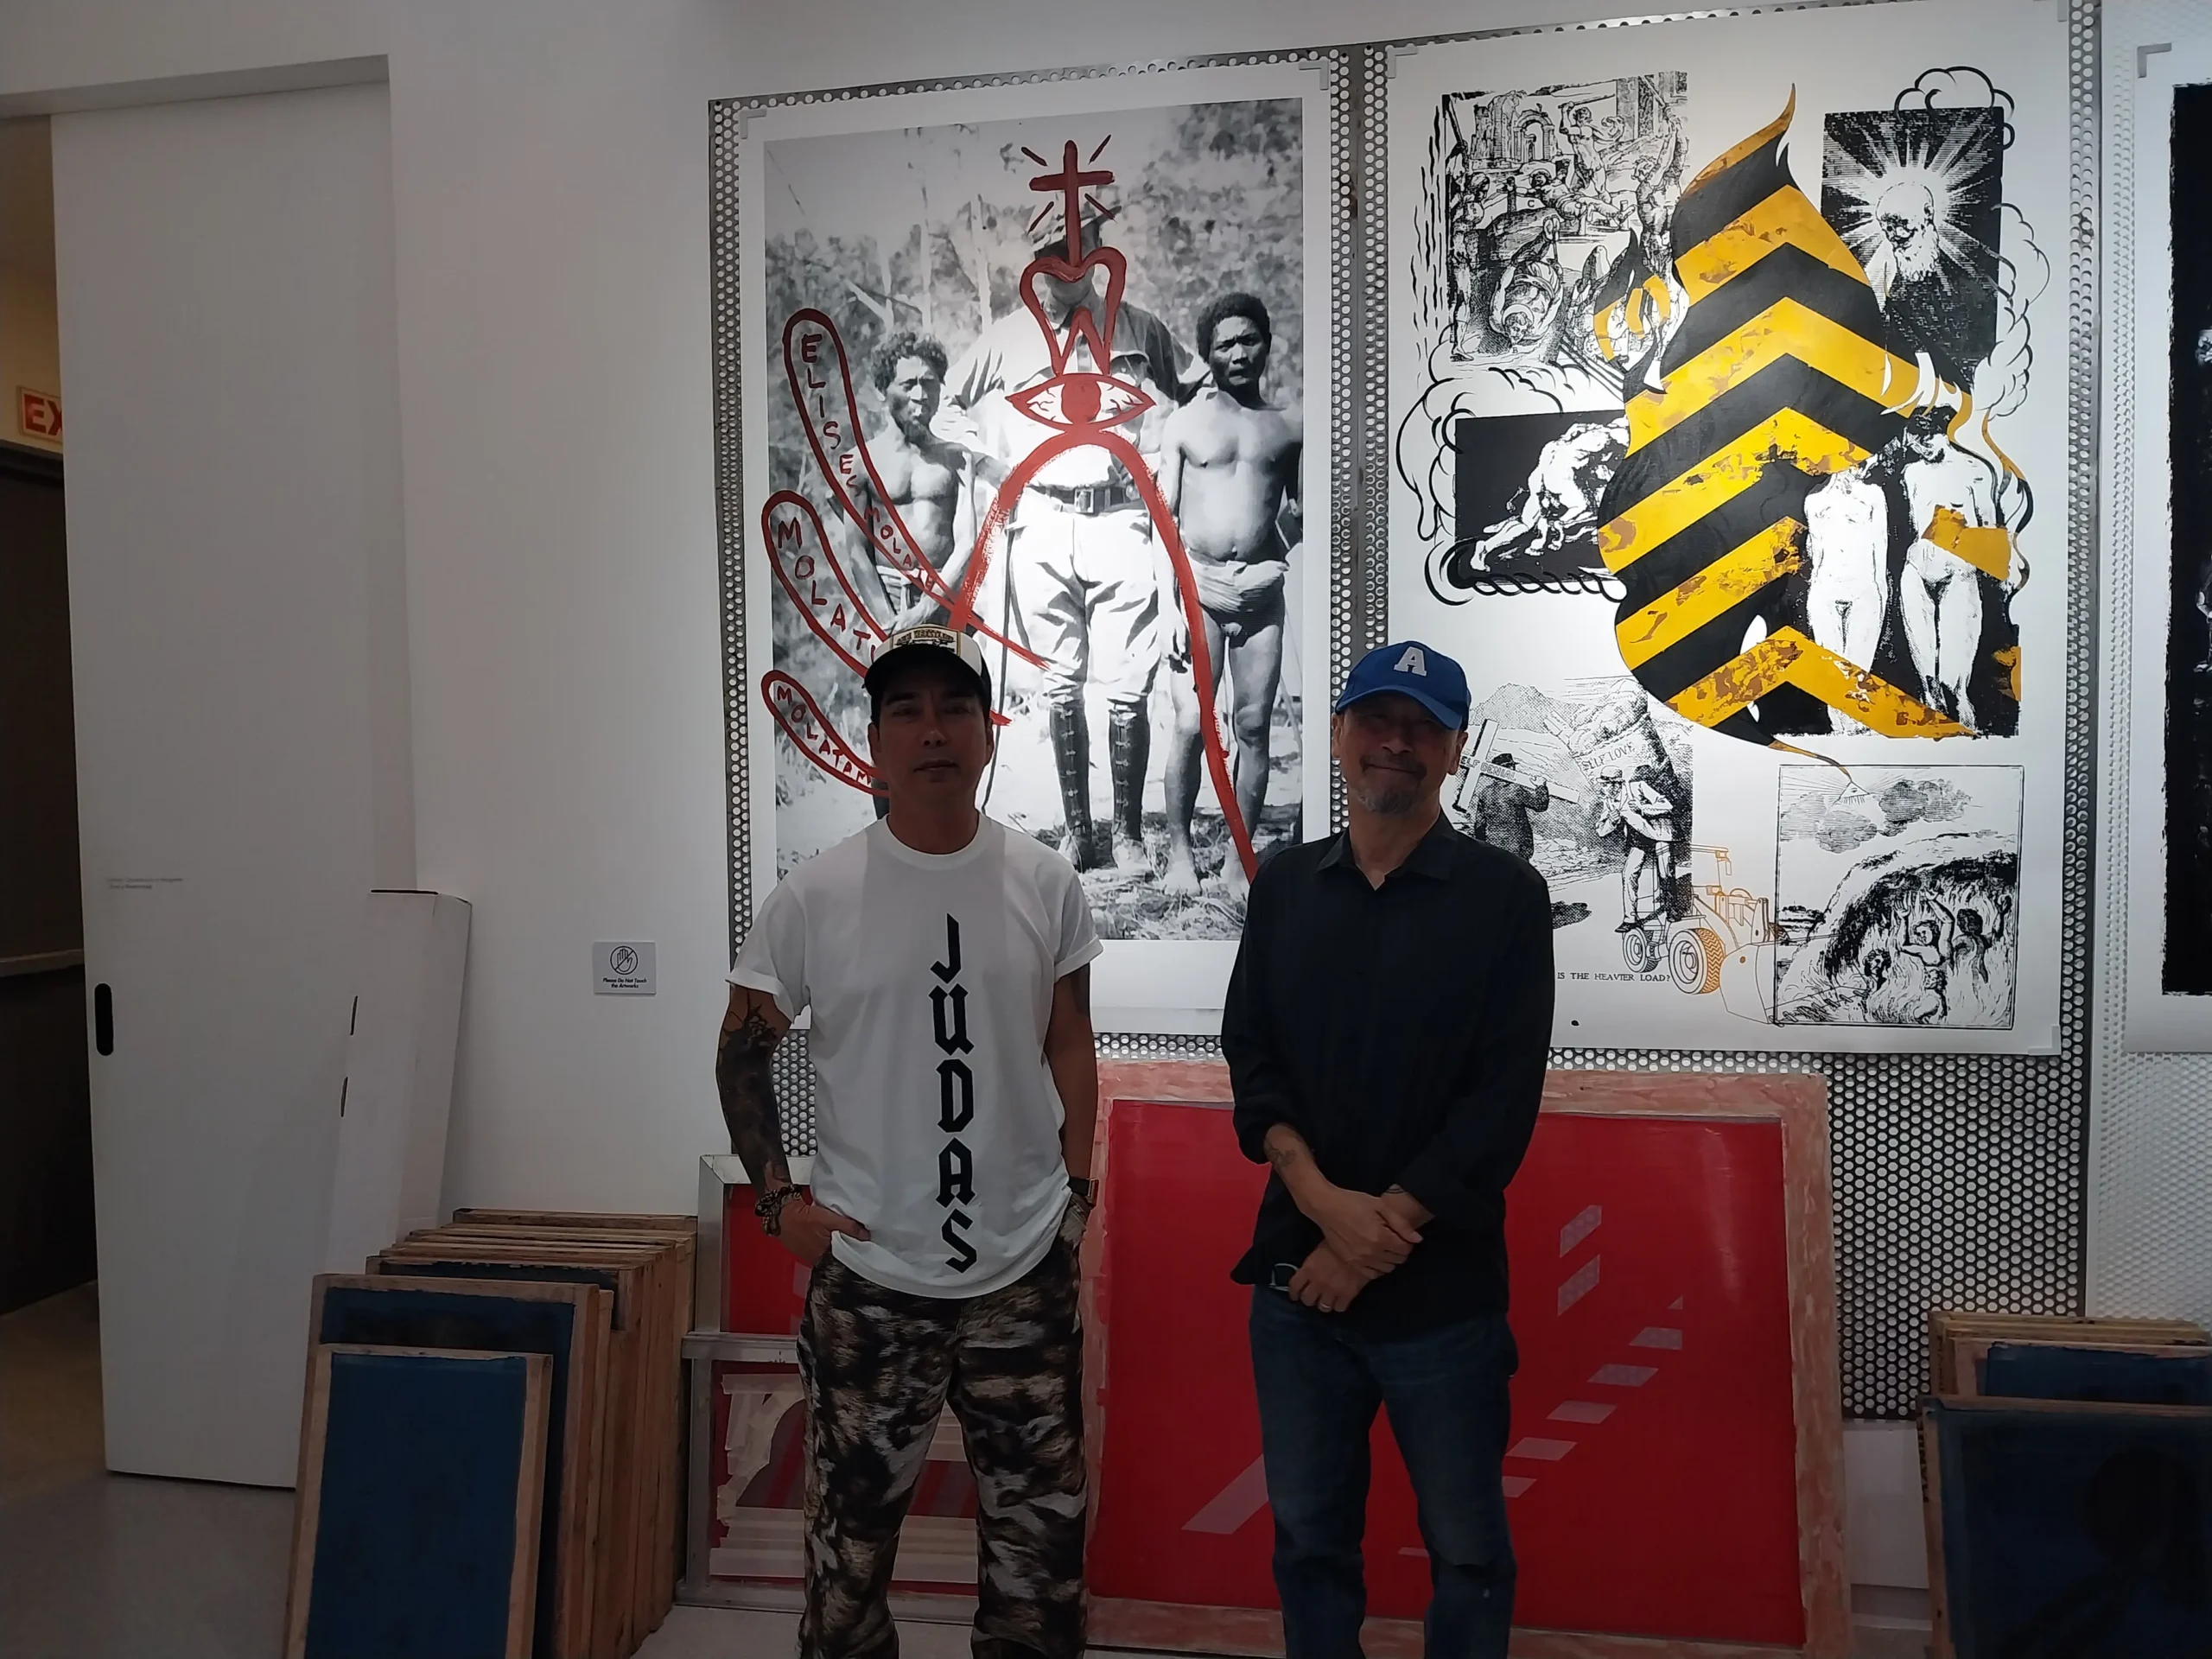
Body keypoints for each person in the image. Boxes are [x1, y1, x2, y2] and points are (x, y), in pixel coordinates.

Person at [714, 625, 1102, 1659]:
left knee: (1040, 1555)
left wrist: (1078, 1191)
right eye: (906, 711)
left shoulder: (1045, 881)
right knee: (849, 1560)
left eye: (954, 708)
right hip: (872, 1276)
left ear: (986, 732)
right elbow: (740, 1054)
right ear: (874, 740)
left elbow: (1069, 1037)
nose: (933, 730)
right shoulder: (814, 896)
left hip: (1023, 1271)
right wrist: (777, 1204)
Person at [1222, 639, 1554, 1659]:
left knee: (1467, 1553)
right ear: (1338, 735)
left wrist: (1375, 1237)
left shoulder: (1505, 898)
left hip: (1442, 1299)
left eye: (1421, 727)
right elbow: (1253, 1059)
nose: (1395, 743)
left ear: (1454, 749)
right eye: (1375, 720)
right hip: (1298, 1291)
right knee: (1308, 1542)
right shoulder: (1285, 887)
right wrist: (1325, 1207)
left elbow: (1500, 1103)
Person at [938, 213, 1198, 873]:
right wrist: (990, 462)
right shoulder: (1008, 337)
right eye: (1054, 250)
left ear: (1099, 253)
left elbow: (1196, 388)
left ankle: (1129, 835)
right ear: (1036, 257)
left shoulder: (1137, 326)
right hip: (1043, 519)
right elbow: (946, 405)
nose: (1068, 264)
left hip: (1120, 514)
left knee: (1129, 683)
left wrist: (1177, 460)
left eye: (1080, 249)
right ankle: (1081, 834)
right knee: (1060, 682)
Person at [1156, 291, 1302, 896]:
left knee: (1253, 727)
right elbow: (1163, 522)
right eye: (1225, 345)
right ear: (1207, 354)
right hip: (1199, 591)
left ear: (1267, 344)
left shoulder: (1289, 426)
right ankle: (1180, 855)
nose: (1239, 354)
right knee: (1193, 723)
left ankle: (1240, 861)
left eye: (1249, 340)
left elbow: (1303, 512)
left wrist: (1276, 556)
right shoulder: (1185, 424)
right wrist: (1169, 606)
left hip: (1261, 597)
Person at [842, 333, 980, 634]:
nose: (921, 394)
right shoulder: (859, 463)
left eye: (929, 383)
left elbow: (967, 543)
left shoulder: (958, 459)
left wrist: (927, 608)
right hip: (886, 602)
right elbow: (857, 552)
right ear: (882, 390)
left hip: (945, 602)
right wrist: (888, 625)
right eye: (908, 385)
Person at [1897, 408, 2007, 728]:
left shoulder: (1975, 470)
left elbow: (1990, 528)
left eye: (1929, 438)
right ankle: (1933, 719)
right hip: (1917, 569)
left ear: (1945, 433)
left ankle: (1963, 719)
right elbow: (1913, 523)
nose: (1923, 446)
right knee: (1926, 670)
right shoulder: (1911, 473)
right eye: (1917, 440)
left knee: (1955, 677)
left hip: (1959, 572)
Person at [1802, 461, 1890, 728]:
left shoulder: (1873, 495)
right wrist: (1814, 593)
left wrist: (1882, 596)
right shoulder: (1814, 500)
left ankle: (1853, 728)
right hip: (1825, 591)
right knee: (1833, 673)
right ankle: (1842, 730)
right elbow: (1816, 551)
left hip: (1864, 590)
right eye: (1858, 462)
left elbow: (1881, 550)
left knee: (1858, 671)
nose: (1864, 468)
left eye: (1867, 463)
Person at [1468, 752, 1551, 862]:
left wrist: (1483, 847)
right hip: (1516, 848)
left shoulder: (1485, 792)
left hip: (1493, 846)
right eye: (1511, 766)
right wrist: (1541, 787)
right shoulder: (1515, 790)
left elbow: (1480, 825)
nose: (1513, 769)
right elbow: (1540, 805)